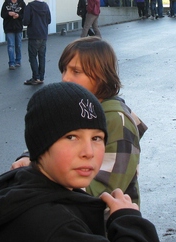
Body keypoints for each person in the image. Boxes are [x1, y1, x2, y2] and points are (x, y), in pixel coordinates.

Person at [0, 82, 166, 242]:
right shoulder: (55, 227)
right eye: (71, 137)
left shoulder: (25, 192)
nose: (88, 152)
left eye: (97, 138)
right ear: (40, 144)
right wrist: (128, 221)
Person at [12, 36, 147, 204]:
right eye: (64, 70)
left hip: (101, 218)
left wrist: (42, 182)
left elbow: (103, 192)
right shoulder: (77, 106)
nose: (65, 78)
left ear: (101, 75)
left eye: (76, 72)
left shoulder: (117, 121)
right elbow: (47, 141)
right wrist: (29, 158)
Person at [23, 0, 51, 85]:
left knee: (33, 57)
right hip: (43, 35)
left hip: (33, 34)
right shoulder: (46, 6)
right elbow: (49, 20)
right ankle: (41, 77)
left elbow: (26, 21)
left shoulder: (30, 6)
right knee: (42, 56)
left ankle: (36, 77)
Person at [1, 0, 26, 70]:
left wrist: (18, 16)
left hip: (18, 27)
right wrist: (8, 14)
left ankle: (18, 61)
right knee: (10, 46)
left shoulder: (21, 3)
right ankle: (11, 63)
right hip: (9, 27)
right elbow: (2, 14)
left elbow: (25, 14)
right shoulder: (6, 3)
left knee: (18, 45)